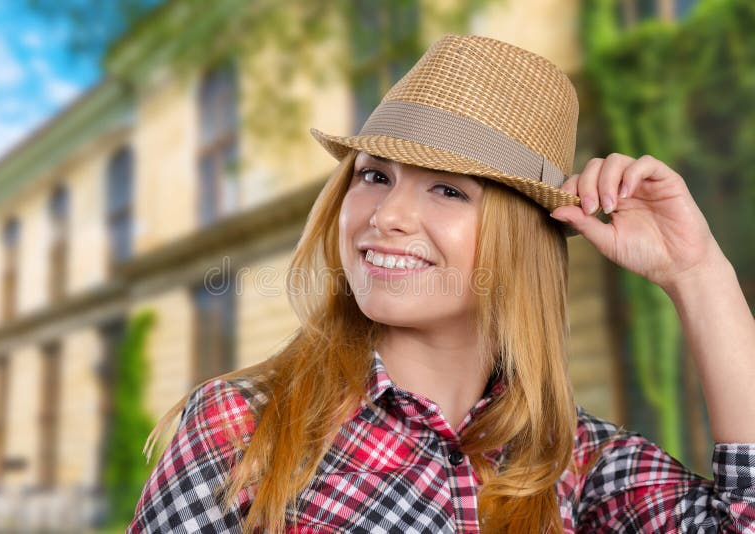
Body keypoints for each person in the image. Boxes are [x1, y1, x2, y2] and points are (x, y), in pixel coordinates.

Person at [127, 34, 755, 533]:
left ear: (520, 239)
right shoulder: (244, 426)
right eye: (374, 176)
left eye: (448, 189)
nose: (388, 215)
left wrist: (696, 272)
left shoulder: (581, 465)